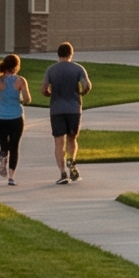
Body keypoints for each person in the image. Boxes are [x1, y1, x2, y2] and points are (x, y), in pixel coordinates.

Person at [42, 42, 92, 185]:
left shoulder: (51, 70)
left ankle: (63, 173)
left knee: (58, 142)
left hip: (57, 109)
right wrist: (82, 92)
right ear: (71, 54)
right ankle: (72, 161)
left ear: (58, 54)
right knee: (72, 138)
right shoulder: (78, 69)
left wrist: (49, 94)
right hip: (73, 109)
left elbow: (43, 89)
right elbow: (87, 85)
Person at [0, 53, 30, 186]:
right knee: (15, 147)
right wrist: (20, 99)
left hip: (0, 117)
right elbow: (28, 99)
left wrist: (1, 98)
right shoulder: (21, 81)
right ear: (16, 66)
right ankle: (11, 177)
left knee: (4, 143)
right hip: (16, 117)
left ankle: (3, 154)